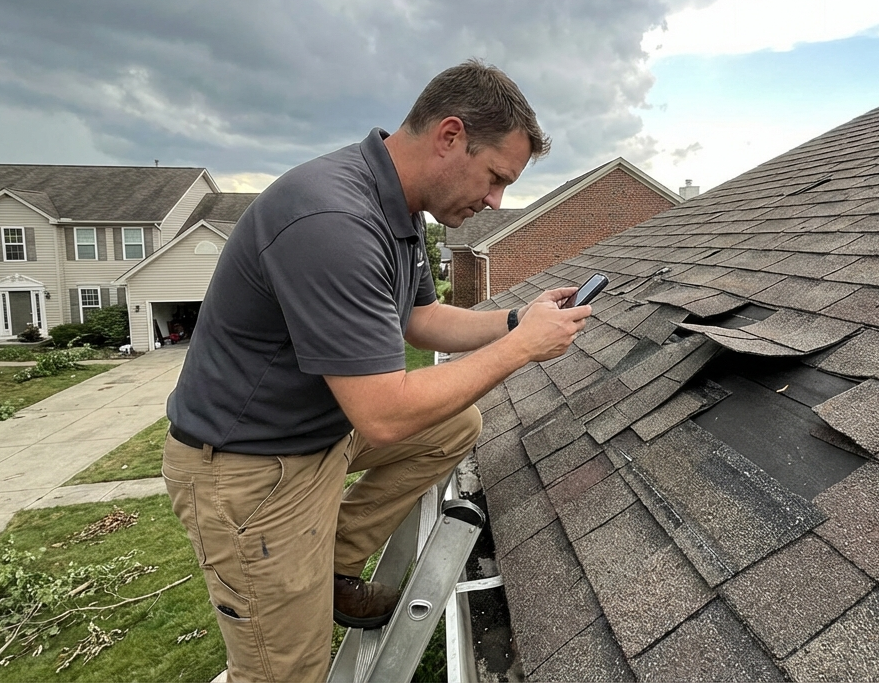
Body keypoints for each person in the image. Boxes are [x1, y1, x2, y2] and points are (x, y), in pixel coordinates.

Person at [162, 61, 591, 682]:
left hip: (313, 436)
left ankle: (329, 560)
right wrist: (522, 350)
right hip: (248, 470)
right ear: (449, 136)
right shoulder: (335, 220)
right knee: (284, 673)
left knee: (454, 426)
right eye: (496, 177)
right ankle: (299, 578)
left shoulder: (401, 210)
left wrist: (518, 320)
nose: (497, 200)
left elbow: (421, 319)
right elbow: (385, 415)